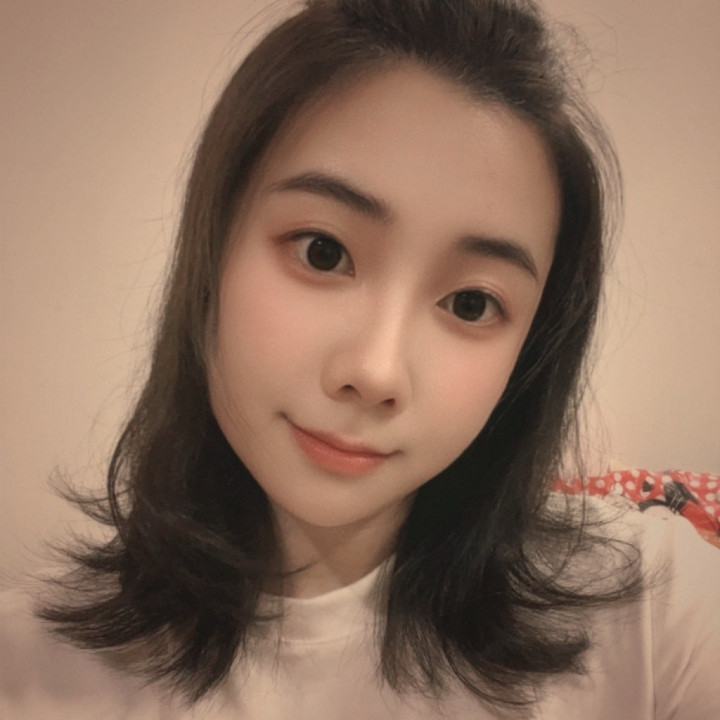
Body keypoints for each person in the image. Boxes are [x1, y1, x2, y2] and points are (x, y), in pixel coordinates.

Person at [1, 0, 718, 717]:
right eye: (323, 252)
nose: (376, 372)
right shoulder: (30, 670)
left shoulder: (652, 612)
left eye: (472, 303)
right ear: (213, 246)